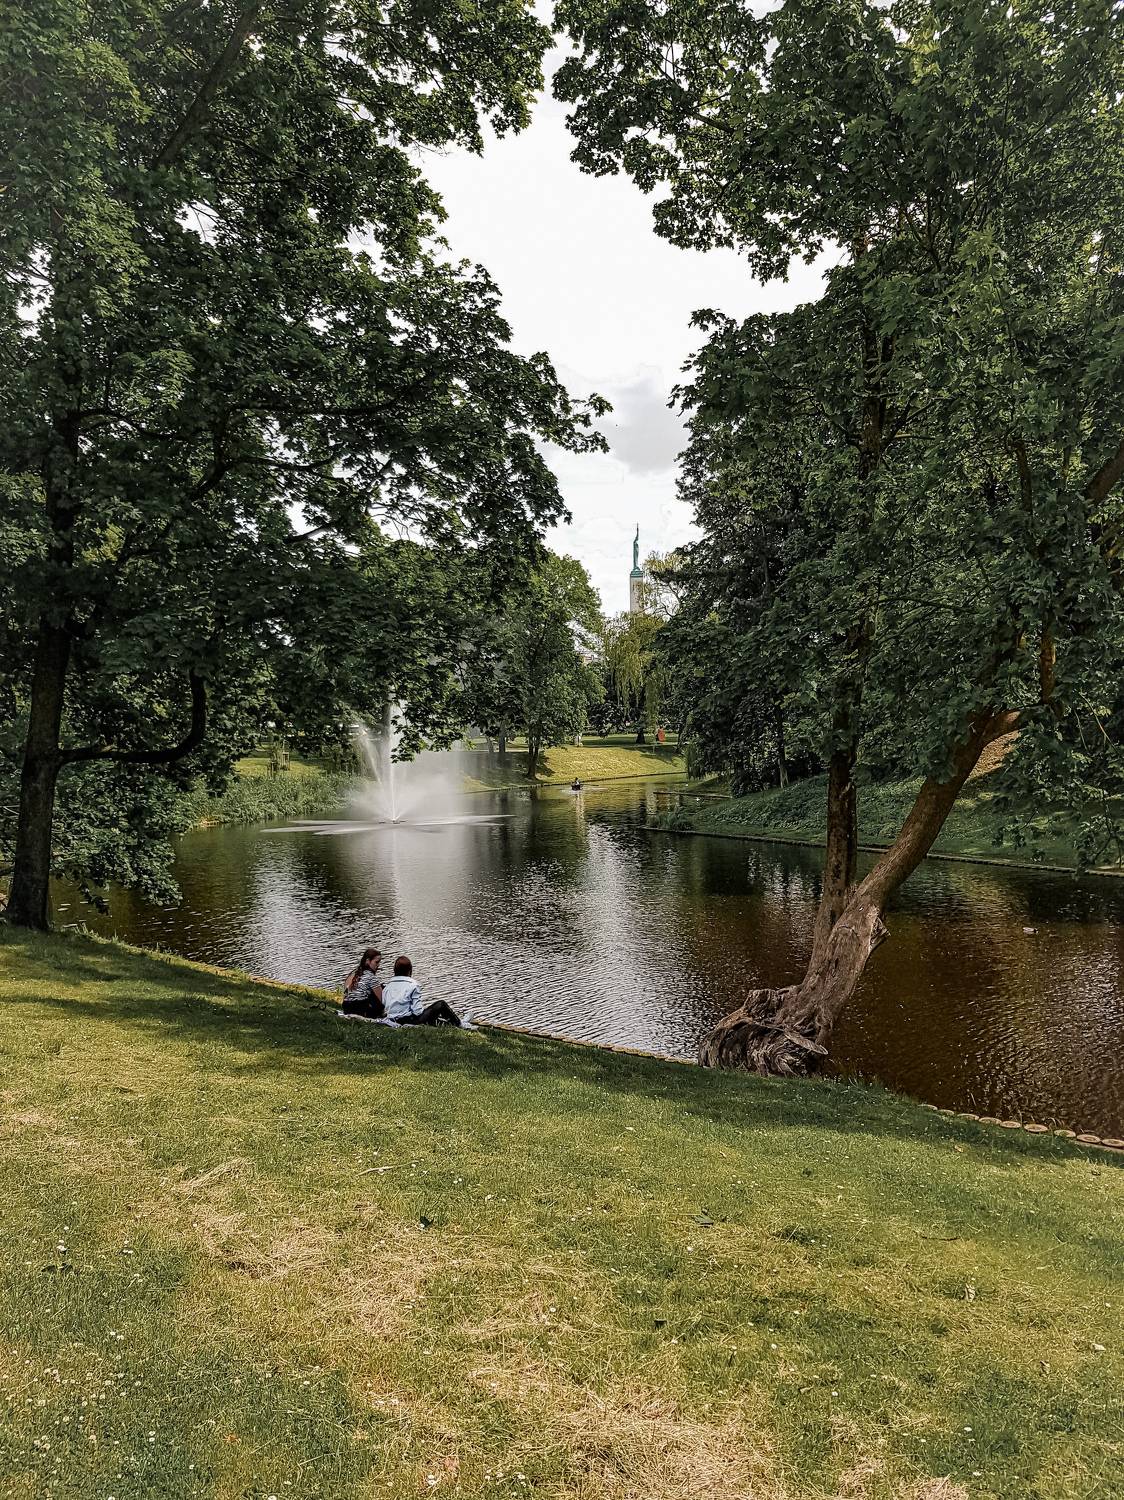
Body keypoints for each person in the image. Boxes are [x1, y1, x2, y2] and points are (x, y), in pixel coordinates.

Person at [380, 956, 472, 1028]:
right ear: (409, 971)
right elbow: (417, 1012)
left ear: (394, 971)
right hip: (410, 1021)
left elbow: (384, 1003)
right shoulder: (413, 985)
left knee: (433, 1017)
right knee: (441, 1004)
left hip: (393, 1020)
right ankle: (461, 1024)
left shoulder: (387, 986)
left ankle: (451, 1022)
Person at [340, 948, 384, 1019]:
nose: (378, 965)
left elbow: (345, 991)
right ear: (368, 961)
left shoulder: (353, 974)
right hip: (361, 1009)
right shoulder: (371, 977)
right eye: (376, 962)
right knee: (380, 989)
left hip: (346, 1007)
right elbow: (381, 999)